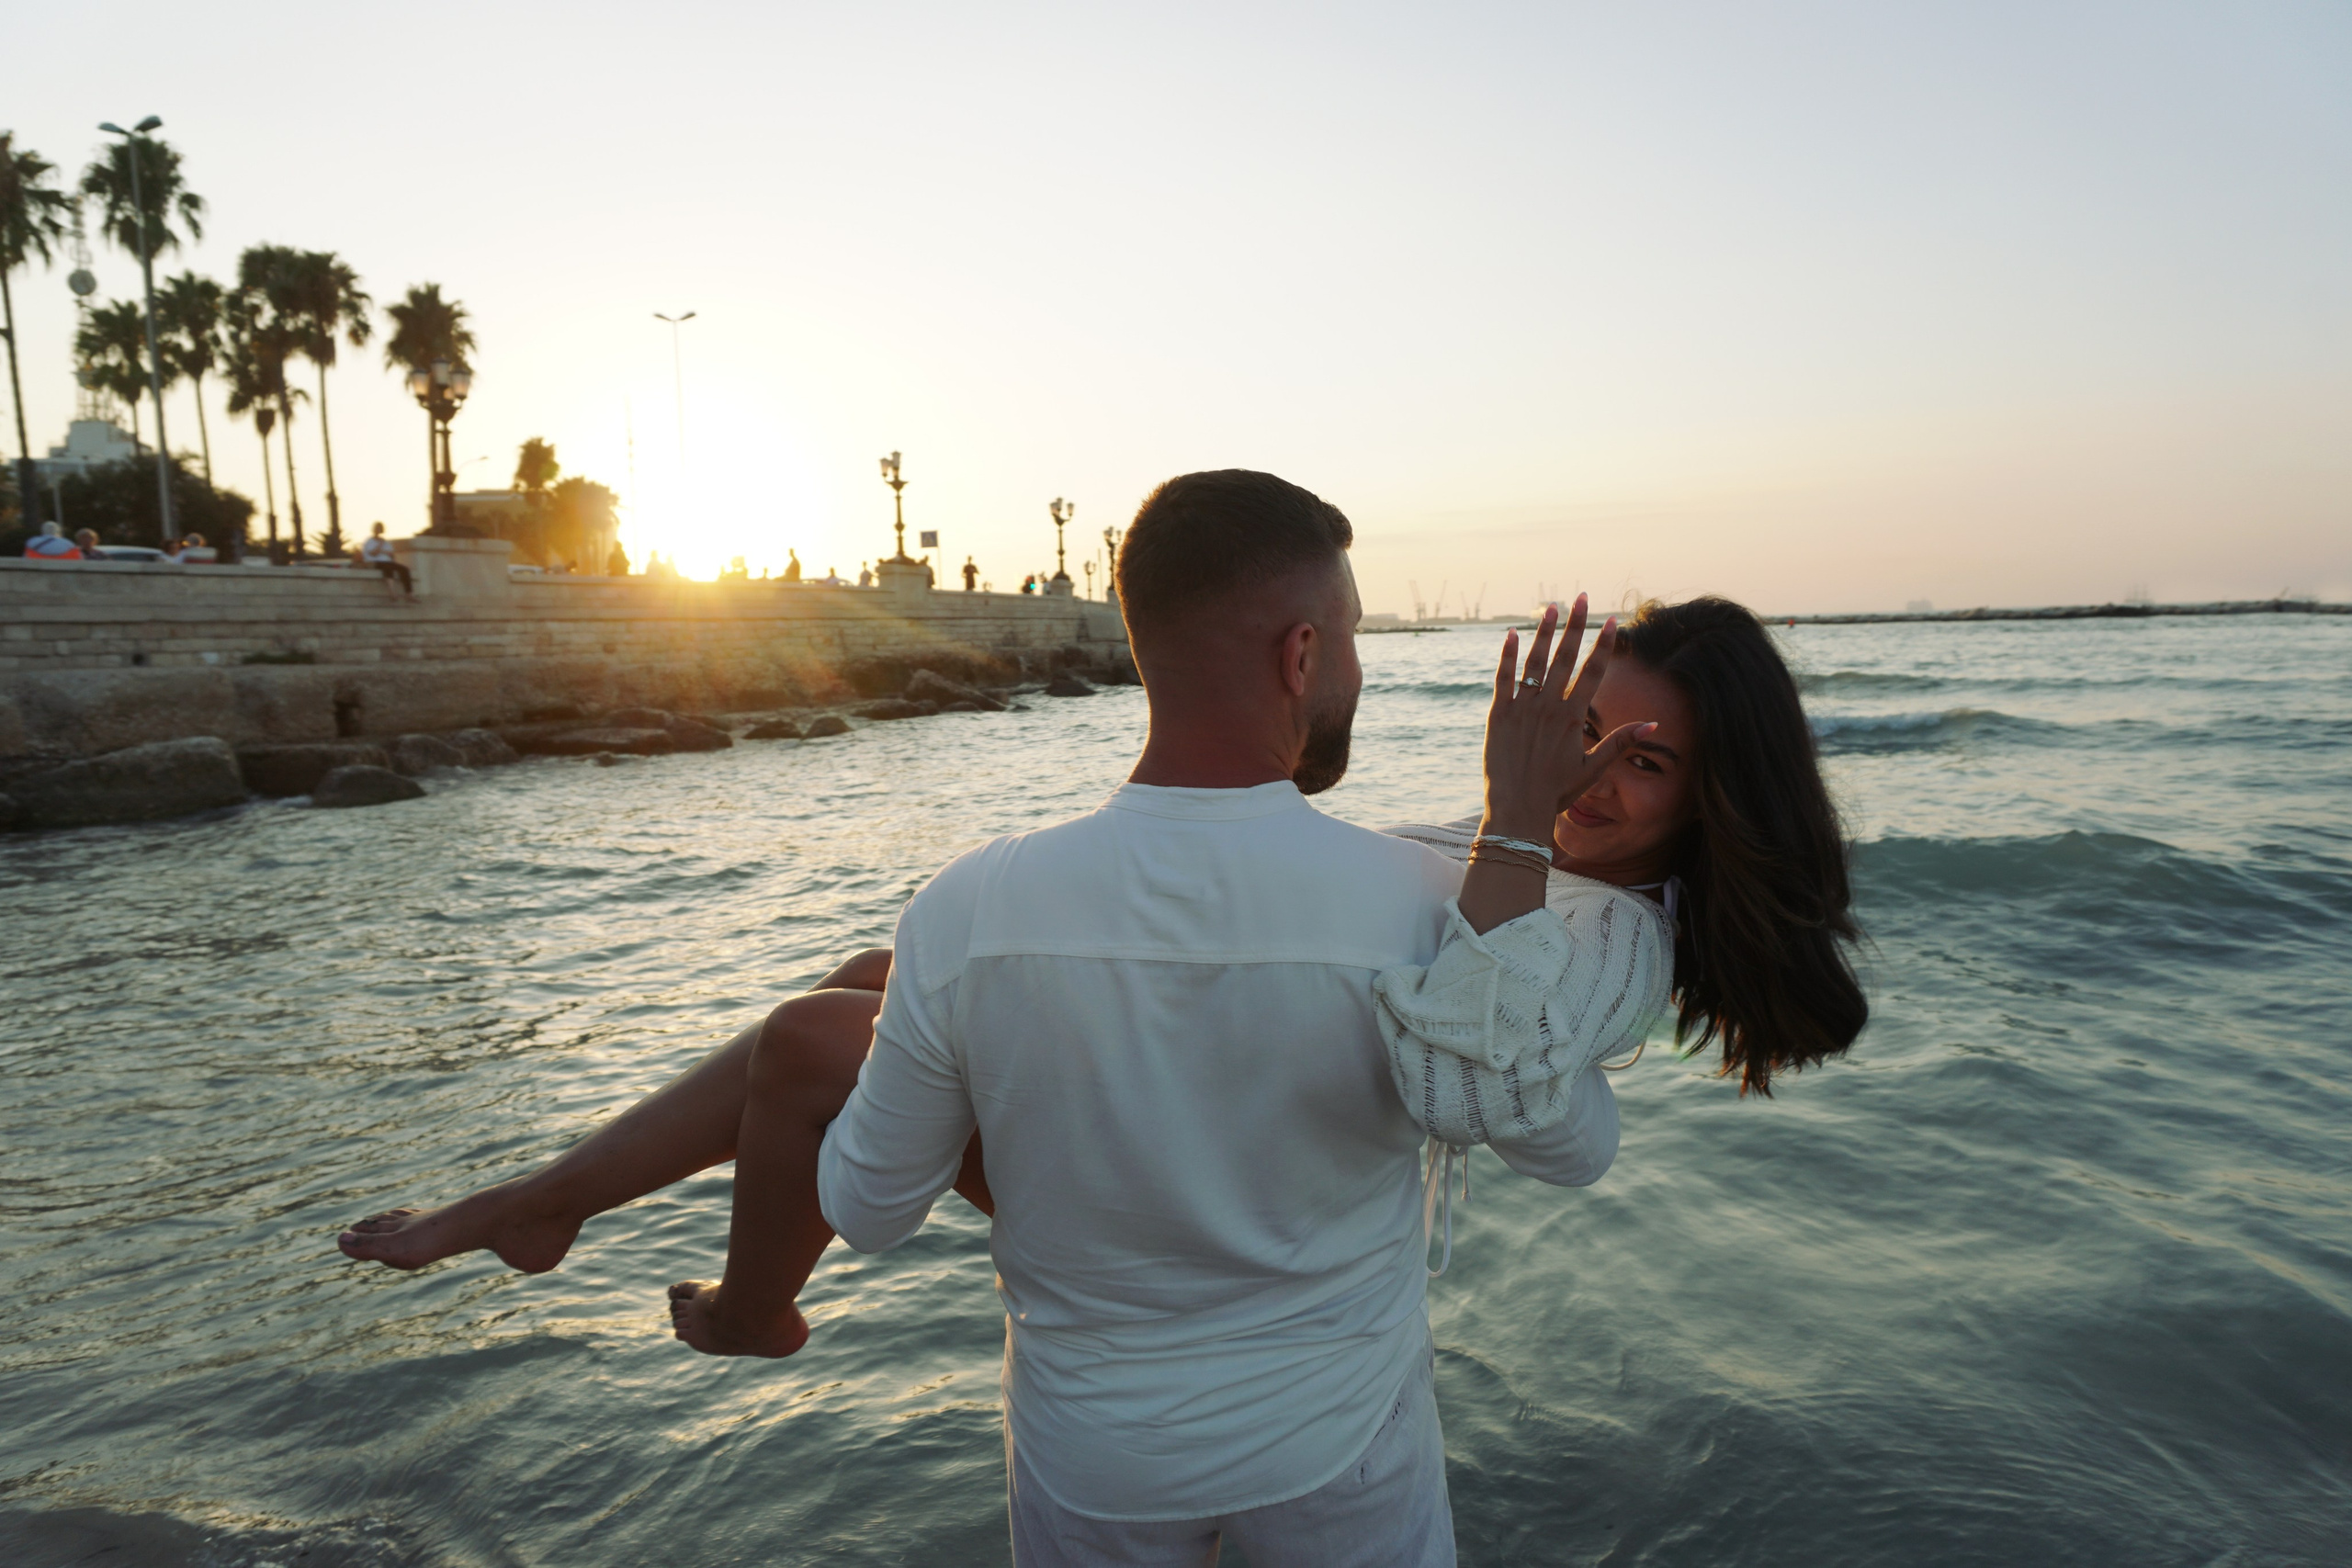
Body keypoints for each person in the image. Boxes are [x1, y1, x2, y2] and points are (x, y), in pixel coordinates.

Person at [341, 473, 1866, 1559]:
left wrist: (1518, 844)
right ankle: (554, 1204)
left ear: (1716, 798)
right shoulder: (1482, 876)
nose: (1589, 772)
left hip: (1136, 1387)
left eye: (1644, 763)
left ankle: (671, 1268)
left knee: (846, 1021)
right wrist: (1496, 841)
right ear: (1304, 655)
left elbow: (1517, 1100)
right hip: (1296, 1364)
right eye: (1581, 731)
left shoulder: (1587, 922)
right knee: (883, 981)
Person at [362, 523, 413, 596]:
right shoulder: (369, 541)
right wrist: (380, 545)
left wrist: (384, 551)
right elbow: (373, 553)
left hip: (388, 562)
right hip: (375, 562)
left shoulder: (386, 542)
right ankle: (392, 592)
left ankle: (409, 594)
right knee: (388, 568)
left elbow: (391, 554)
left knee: (404, 569)